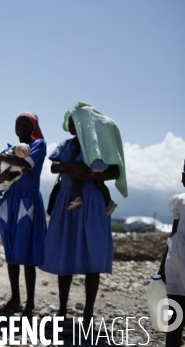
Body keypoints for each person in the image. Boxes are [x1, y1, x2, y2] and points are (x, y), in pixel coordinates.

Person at [41, 107, 123, 326]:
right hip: (68, 200)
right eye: (69, 121)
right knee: (65, 251)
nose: (70, 124)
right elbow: (53, 167)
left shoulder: (100, 145)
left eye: (75, 121)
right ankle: (62, 310)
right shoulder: (66, 146)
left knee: (93, 254)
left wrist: (94, 174)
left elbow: (116, 171)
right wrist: (72, 166)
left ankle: (88, 313)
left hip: (92, 200)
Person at [0, 113, 47, 317]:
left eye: (26, 124)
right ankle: (15, 299)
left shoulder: (39, 145)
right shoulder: (7, 149)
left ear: (33, 127)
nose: (22, 127)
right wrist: (2, 175)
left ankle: (30, 304)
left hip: (28, 201)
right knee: (12, 252)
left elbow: (27, 163)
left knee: (28, 252)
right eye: (18, 124)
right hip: (10, 200)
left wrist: (3, 159)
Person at [159, 161, 185, 347]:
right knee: (174, 317)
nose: (183, 176)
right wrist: (162, 266)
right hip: (176, 264)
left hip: (177, 261)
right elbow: (173, 235)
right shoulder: (180, 202)